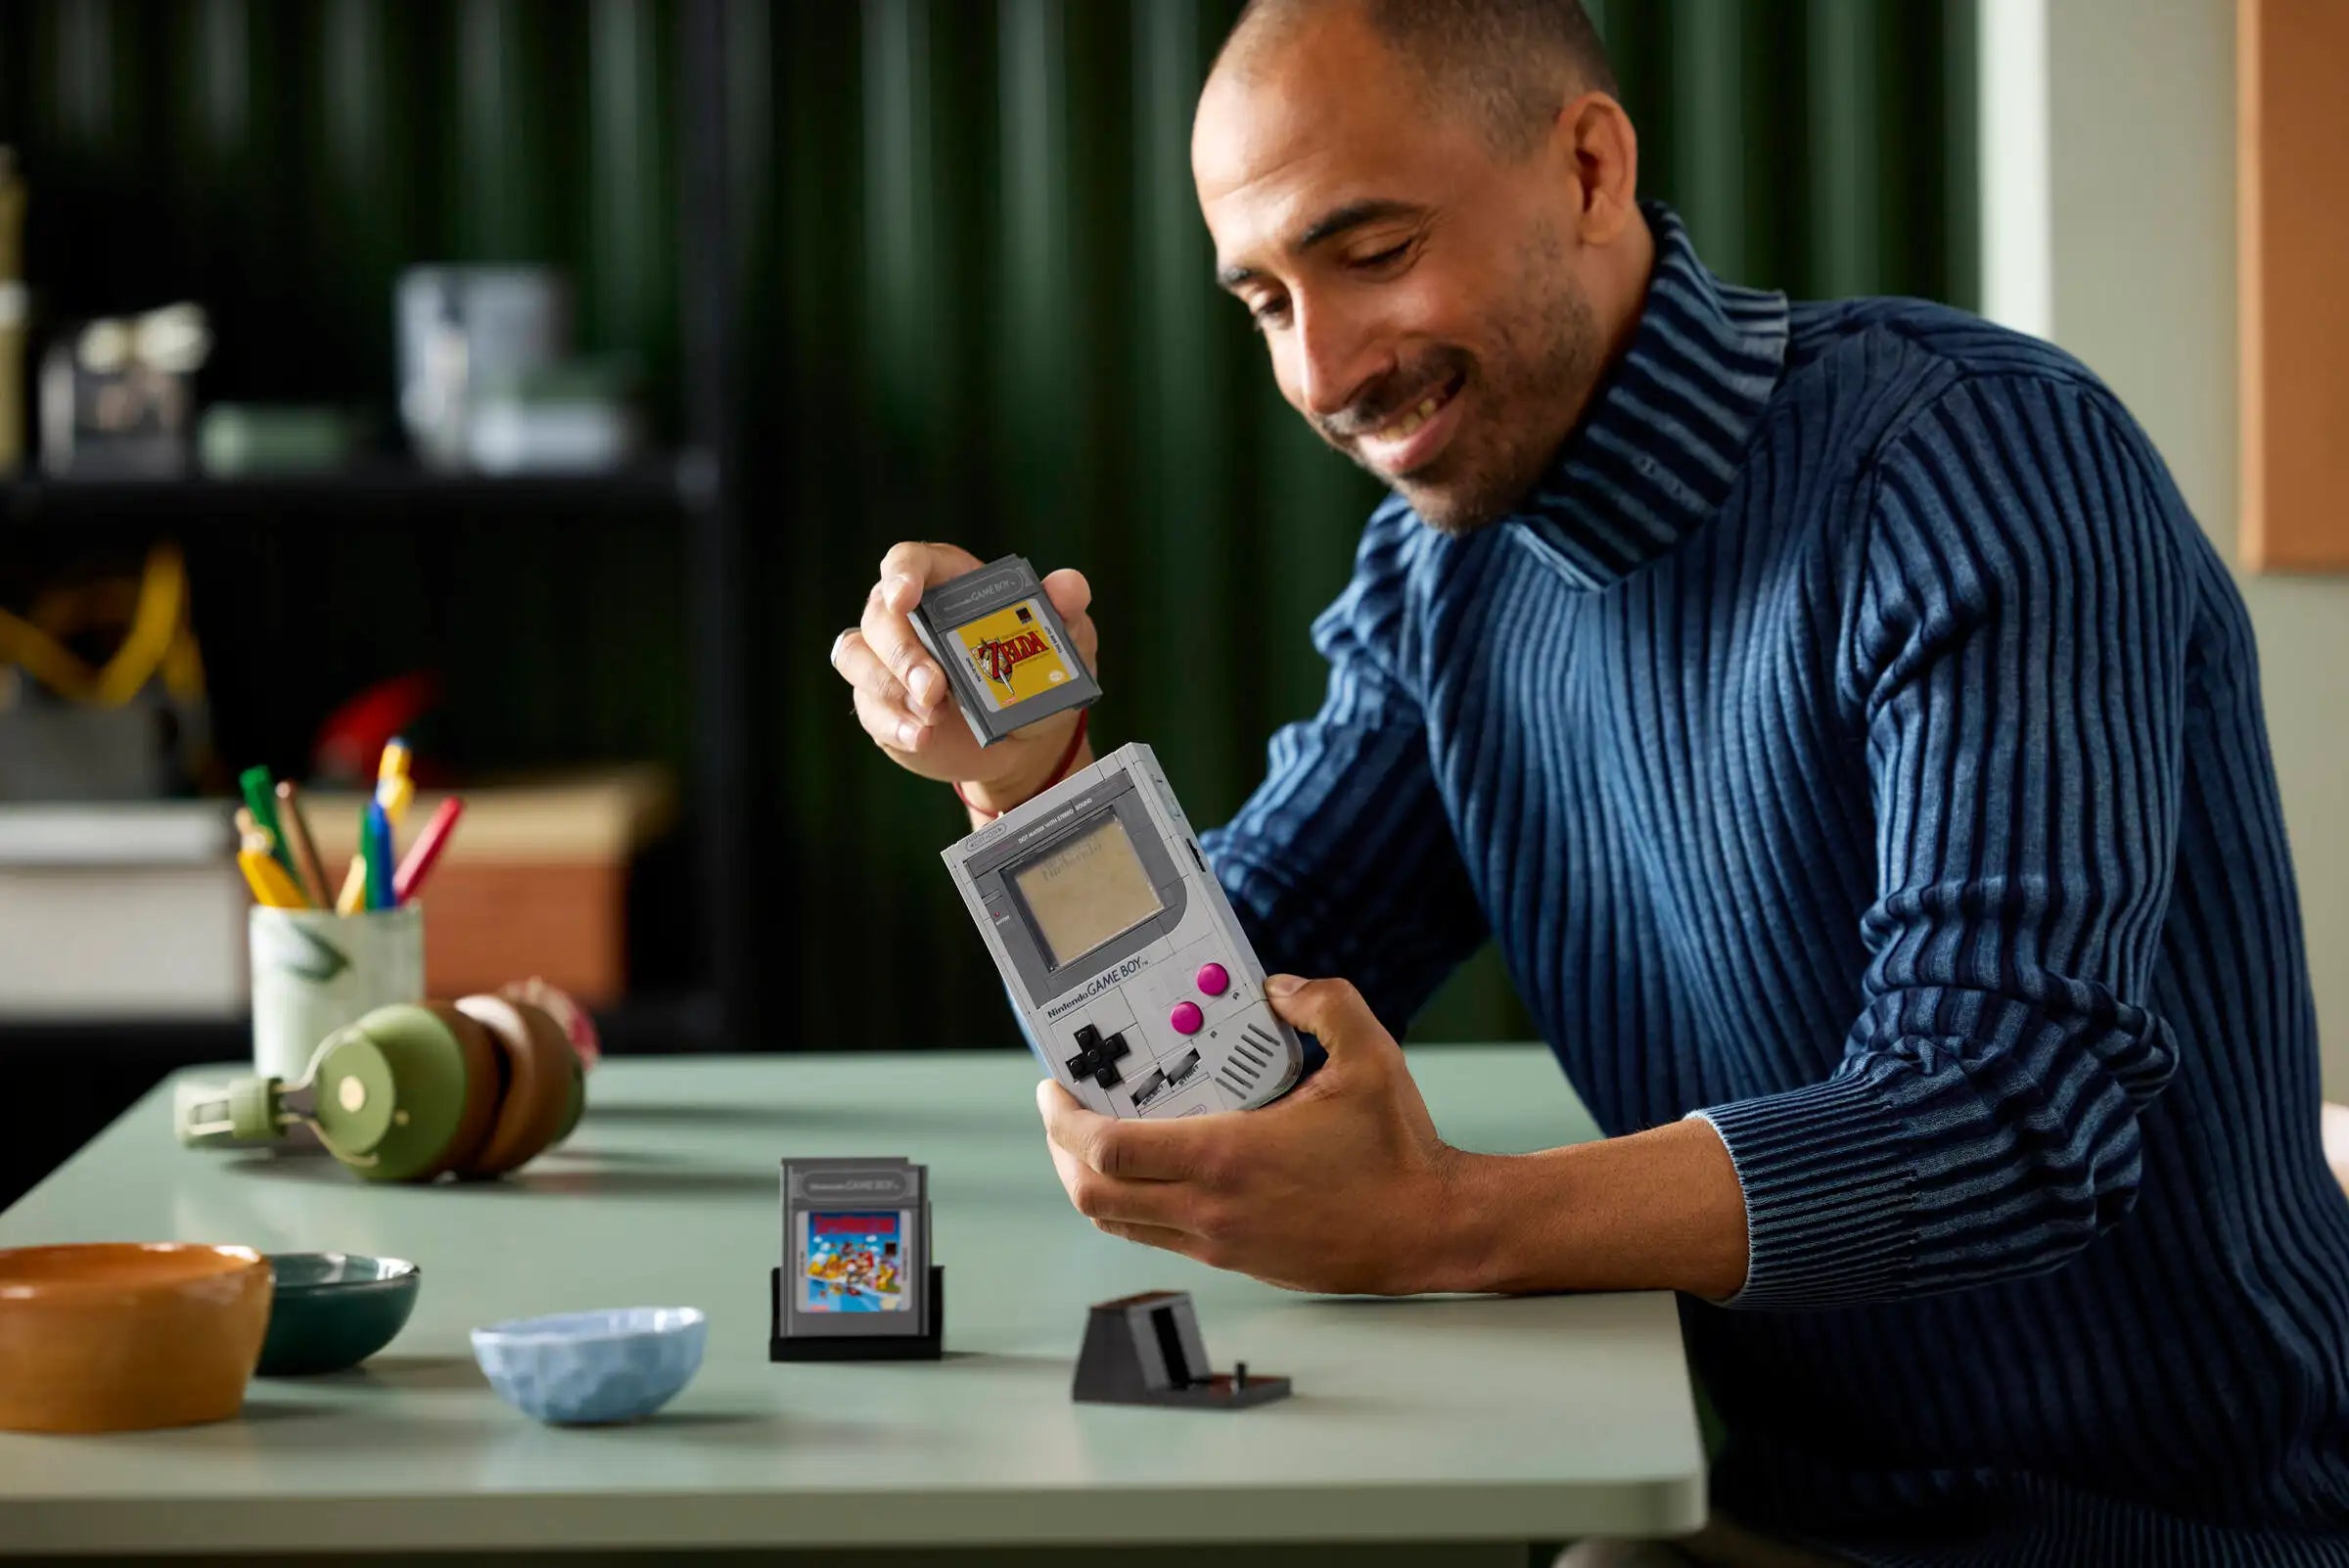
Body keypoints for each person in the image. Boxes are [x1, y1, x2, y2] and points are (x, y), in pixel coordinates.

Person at [830, 2, 2349, 1562]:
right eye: (1268, 300)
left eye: (1374, 252)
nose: (1320, 370)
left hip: (2185, 1535)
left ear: (1591, 168)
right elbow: (1217, 1030)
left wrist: (1442, 1216)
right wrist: (1030, 787)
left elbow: (2015, 1115)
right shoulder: (1441, 582)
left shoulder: (1979, 463)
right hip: (1755, 1513)